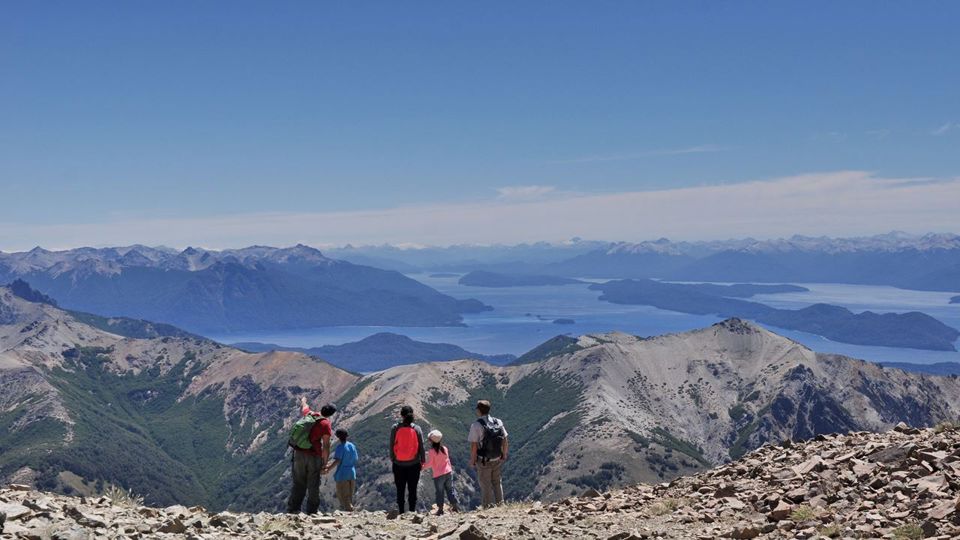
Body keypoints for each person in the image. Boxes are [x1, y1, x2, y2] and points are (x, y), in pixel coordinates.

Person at [287, 396, 336, 514]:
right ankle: (312, 511)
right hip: (314, 456)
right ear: (330, 414)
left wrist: (303, 400)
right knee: (313, 483)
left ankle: (293, 509)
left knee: (298, 482)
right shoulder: (325, 424)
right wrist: (325, 463)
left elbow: (304, 407)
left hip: (298, 454)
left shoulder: (309, 415)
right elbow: (326, 445)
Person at [468, 399, 508, 508]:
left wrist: (472, 461)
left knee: (486, 485)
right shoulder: (498, 422)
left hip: (484, 460)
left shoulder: (476, 425)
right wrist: (504, 454)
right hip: (497, 457)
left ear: (478, 410)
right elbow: (504, 439)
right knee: (497, 482)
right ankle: (501, 505)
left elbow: (474, 445)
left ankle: (488, 507)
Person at [389, 405, 426, 514]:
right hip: (414, 464)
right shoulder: (417, 428)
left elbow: (391, 445)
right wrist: (422, 461)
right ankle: (412, 511)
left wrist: (393, 459)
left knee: (400, 489)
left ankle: (401, 511)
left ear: (401, 415)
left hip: (398, 464)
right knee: (412, 489)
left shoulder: (395, 428)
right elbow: (421, 446)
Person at [423, 429, 460, 515]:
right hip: (448, 472)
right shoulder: (444, 449)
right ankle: (454, 507)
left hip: (439, 475)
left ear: (431, 441)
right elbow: (448, 460)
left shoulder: (431, 452)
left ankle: (440, 509)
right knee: (450, 490)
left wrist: (421, 467)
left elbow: (430, 464)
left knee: (440, 492)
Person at [324, 428, 359, 511]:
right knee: (349, 496)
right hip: (352, 472)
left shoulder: (340, 447)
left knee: (344, 496)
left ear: (338, 437)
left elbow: (338, 461)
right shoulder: (352, 446)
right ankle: (351, 512)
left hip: (343, 474)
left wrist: (328, 468)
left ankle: (349, 514)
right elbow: (356, 458)